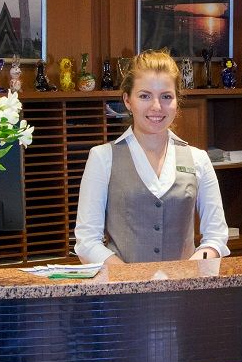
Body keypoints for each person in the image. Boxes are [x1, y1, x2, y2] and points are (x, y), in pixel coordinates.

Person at [74, 49, 230, 264]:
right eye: (144, 96)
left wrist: (188, 271)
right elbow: (87, 242)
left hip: (185, 283)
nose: (156, 107)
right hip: (122, 284)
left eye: (166, 96)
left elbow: (217, 236)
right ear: (127, 101)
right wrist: (128, 276)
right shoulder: (102, 158)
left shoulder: (198, 159)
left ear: (177, 101)